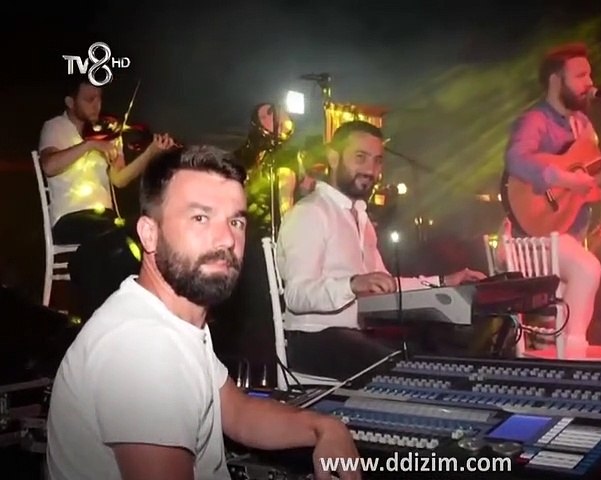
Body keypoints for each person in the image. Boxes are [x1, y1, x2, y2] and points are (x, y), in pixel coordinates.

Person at [46, 145, 360, 480]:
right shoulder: (141, 344)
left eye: (235, 221)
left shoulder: (172, 319)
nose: (226, 239)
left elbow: (239, 413)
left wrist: (325, 428)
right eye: (200, 218)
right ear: (149, 234)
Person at [276, 121, 486, 380]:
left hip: (355, 335)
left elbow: (384, 284)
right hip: (312, 340)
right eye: (360, 157)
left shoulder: (360, 217)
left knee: (438, 358)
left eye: (377, 161)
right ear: (333, 157)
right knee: (407, 371)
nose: (370, 170)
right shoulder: (310, 212)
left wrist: (444, 282)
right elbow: (297, 295)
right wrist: (353, 284)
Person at [502, 42, 601, 356]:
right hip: (535, 239)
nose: (590, 82)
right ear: (556, 81)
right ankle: (572, 354)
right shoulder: (535, 120)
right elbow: (516, 160)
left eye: (590, 74)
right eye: (581, 75)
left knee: (582, 279)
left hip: (570, 235)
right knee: (588, 269)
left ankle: (562, 349)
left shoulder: (584, 125)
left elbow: (586, 187)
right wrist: (563, 177)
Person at [38, 77, 176, 316]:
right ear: (70, 102)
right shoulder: (55, 127)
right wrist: (90, 145)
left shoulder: (107, 132)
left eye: (99, 98)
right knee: (117, 240)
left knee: (137, 234)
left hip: (106, 221)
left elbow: (119, 179)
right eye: (89, 99)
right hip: (70, 219)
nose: (97, 105)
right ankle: (112, 312)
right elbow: (49, 166)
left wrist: (150, 153)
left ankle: (121, 309)